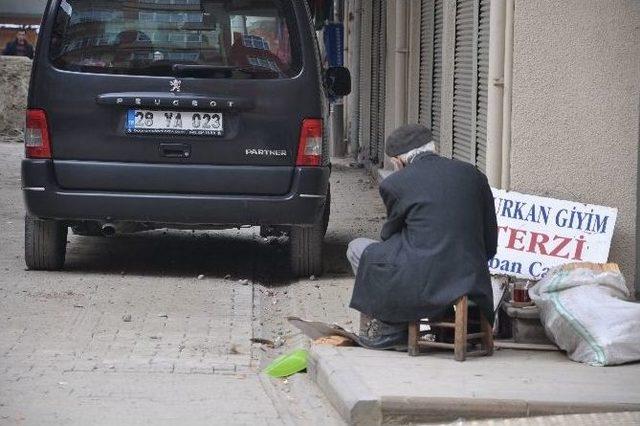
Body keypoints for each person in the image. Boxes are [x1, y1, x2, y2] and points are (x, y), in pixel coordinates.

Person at [346, 124, 498, 350]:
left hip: (423, 279)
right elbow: (489, 239)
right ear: (433, 148)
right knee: (425, 257)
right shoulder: (474, 175)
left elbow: (390, 235)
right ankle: (441, 324)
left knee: (357, 248)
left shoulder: (395, 184)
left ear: (399, 161)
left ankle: (392, 327)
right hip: (470, 274)